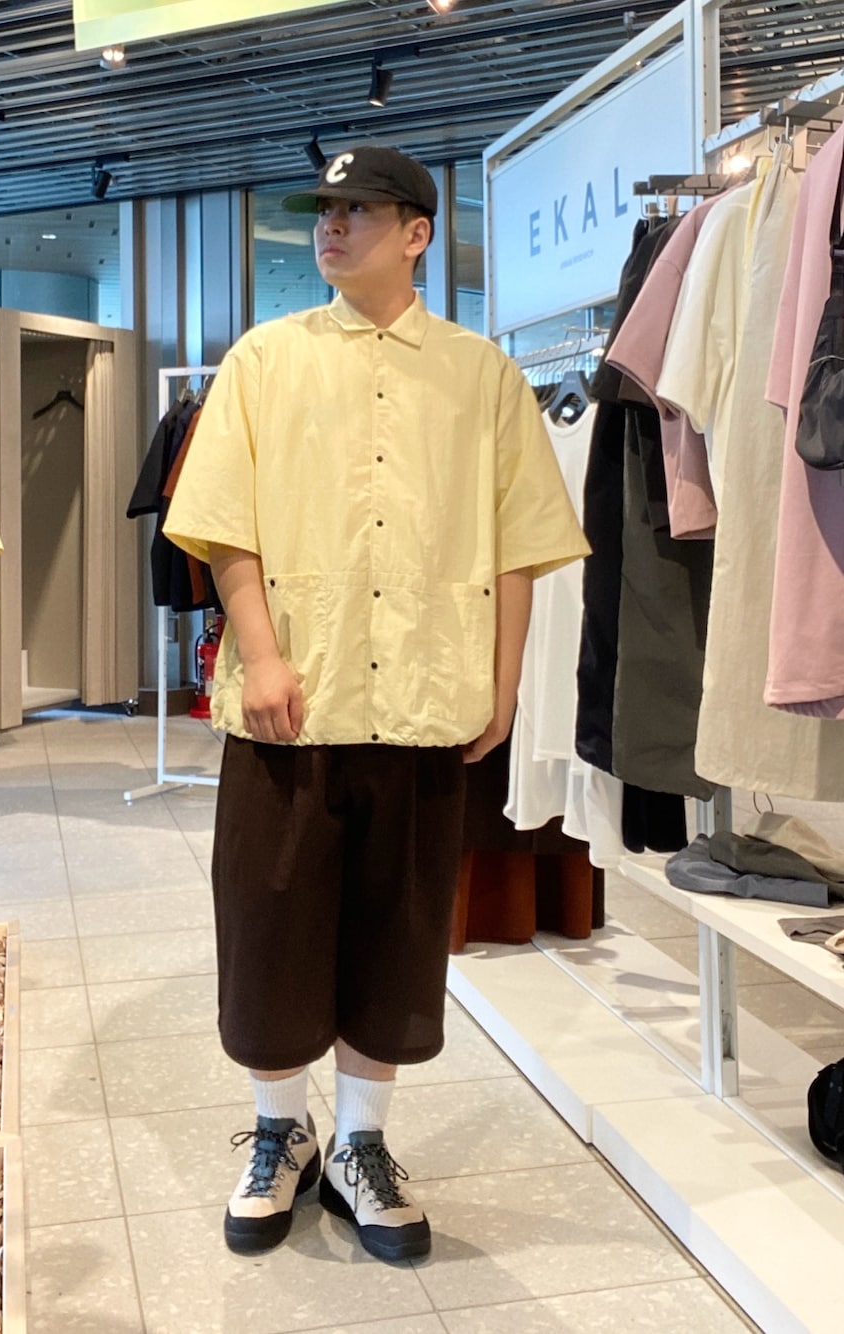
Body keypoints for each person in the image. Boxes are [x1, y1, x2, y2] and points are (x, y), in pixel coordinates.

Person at [163, 144, 588, 1263]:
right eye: (326, 208)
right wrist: (261, 656)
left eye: (359, 209)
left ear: (417, 234)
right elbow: (223, 526)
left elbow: (519, 545)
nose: (332, 224)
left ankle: (360, 1142)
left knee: (397, 931)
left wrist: (502, 682)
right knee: (268, 923)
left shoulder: (483, 376)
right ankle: (278, 1131)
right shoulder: (264, 359)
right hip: (289, 705)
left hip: (423, 697)